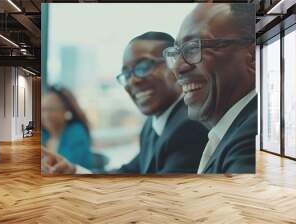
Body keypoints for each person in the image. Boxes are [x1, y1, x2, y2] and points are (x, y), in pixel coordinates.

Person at [47, 31, 208, 174]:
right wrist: (75, 172)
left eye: (144, 66)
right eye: (126, 74)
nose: (132, 81)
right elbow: (130, 171)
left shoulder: (189, 126)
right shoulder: (152, 124)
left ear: (175, 64)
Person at [163, 3, 257, 174]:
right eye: (176, 52)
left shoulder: (251, 140)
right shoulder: (231, 131)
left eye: (192, 48)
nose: (177, 68)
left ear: (253, 57)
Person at [41, 86, 93, 172]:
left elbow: (66, 168)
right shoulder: (44, 135)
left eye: (52, 109)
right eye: (43, 109)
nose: (46, 115)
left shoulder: (76, 132)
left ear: (66, 110)